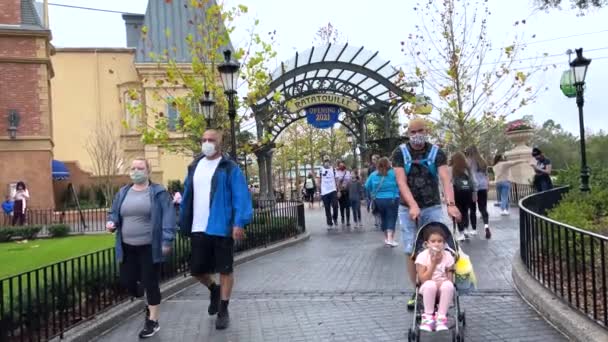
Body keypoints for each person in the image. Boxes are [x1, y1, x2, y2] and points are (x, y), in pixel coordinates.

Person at [178, 129, 253, 330]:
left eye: (210, 140)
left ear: (220, 142)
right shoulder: (195, 166)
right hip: (197, 226)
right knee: (196, 270)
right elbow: (188, 192)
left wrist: (239, 222)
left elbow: (240, 195)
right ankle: (214, 289)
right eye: (203, 140)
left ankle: (223, 308)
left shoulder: (229, 168)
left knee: (225, 269)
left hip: (221, 226)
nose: (206, 143)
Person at [392, 118, 461, 310]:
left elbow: (445, 180)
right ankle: (417, 290)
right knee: (410, 249)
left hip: (432, 206)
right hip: (407, 208)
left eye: (420, 131)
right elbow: (401, 182)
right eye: (412, 132)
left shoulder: (437, 152)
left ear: (426, 131)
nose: (416, 135)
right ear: (408, 133)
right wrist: (413, 205)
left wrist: (451, 204)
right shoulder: (399, 153)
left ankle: (440, 285)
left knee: (438, 244)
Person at [106, 157, 176, 338]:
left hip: (149, 247)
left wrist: (167, 240)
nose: (136, 171)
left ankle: (152, 320)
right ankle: (145, 298)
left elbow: (168, 216)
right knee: (127, 281)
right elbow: (114, 212)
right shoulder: (123, 192)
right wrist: (112, 222)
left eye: (140, 168)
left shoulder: (158, 192)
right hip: (127, 247)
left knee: (150, 282)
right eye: (133, 168)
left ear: (148, 172)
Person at [415, 224, 455, 332]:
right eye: (433, 241)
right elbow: (423, 279)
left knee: (448, 285)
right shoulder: (422, 256)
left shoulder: (448, 255)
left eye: (440, 241)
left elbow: (450, 278)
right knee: (430, 285)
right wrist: (433, 263)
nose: (437, 244)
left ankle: (441, 317)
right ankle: (428, 317)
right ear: (427, 244)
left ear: (444, 243)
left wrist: (445, 282)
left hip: (443, 287)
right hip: (427, 287)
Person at [365, 157, 400, 246]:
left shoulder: (373, 174)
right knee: (391, 217)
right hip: (392, 199)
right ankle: (390, 239)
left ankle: (386, 238)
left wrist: (373, 192)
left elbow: (366, 186)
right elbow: (400, 183)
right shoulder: (393, 173)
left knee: (383, 218)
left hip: (378, 200)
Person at [450, 152, 477, 241]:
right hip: (467, 192)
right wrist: (474, 192)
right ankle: (466, 229)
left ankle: (461, 232)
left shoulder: (452, 169)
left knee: (458, 213)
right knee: (465, 212)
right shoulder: (467, 168)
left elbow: (449, 182)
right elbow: (473, 181)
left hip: (457, 193)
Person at [465, 146, 491, 239]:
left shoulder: (469, 161)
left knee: (472, 209)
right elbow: (486, 175)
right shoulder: (482, 161)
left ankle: (474, 229)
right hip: (483, 186)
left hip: (473, 188)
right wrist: (487, 185)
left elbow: (469, 176)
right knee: (483, 208)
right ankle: (486, 226)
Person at [317, 156, 339, 229]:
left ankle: (335, 217)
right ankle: (329, 223)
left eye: (328, 161)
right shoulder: (320, 170)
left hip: (333, 190)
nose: (326, 162)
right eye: (325, 161)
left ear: (329, 161)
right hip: (324, 191)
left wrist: (338, 190)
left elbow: (337, 179)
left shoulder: (333, 169)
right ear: (323, 162)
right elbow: (318, 181)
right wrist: (319, 191)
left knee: (335, 205)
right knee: (327, 208)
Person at [335, 160, 352, 227]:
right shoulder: (337, 172)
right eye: (340, 165)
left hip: (347, 191)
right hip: (340, 191)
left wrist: (347, 185)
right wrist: (338, 190)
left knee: (347, 206)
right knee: (342, 207)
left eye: (343, 165)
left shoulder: (348, 172)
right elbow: (336, 182)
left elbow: (350, 181)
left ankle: (348, 220)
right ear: (339, 166)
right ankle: (342, 218)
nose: (342, 166)